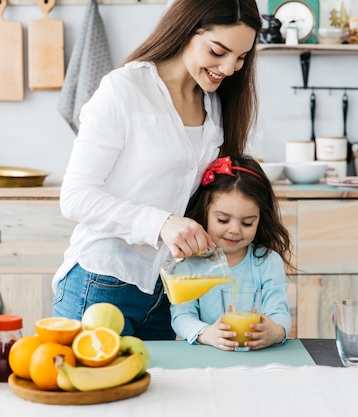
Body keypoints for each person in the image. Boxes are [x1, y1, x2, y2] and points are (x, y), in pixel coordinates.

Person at [52, 0, 262, 340]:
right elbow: (75, 197)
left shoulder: (214, 103)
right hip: (101, 285)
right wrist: (161, 223)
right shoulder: (125, 90)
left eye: (240, 58)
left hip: (167, 294)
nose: (228, 68)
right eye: (218, 51)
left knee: (159, 394)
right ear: (187, 30)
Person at [171, 156, 294, 351]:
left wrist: (276, 331)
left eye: (247, 223)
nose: (235, 230)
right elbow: (181, 316)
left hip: (258, 358)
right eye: (223, 220)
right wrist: (207, 333)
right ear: (205, 212)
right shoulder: (189, 265)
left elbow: (279, 312)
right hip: (208, 356)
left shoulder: (267, 263)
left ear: (260, 219)